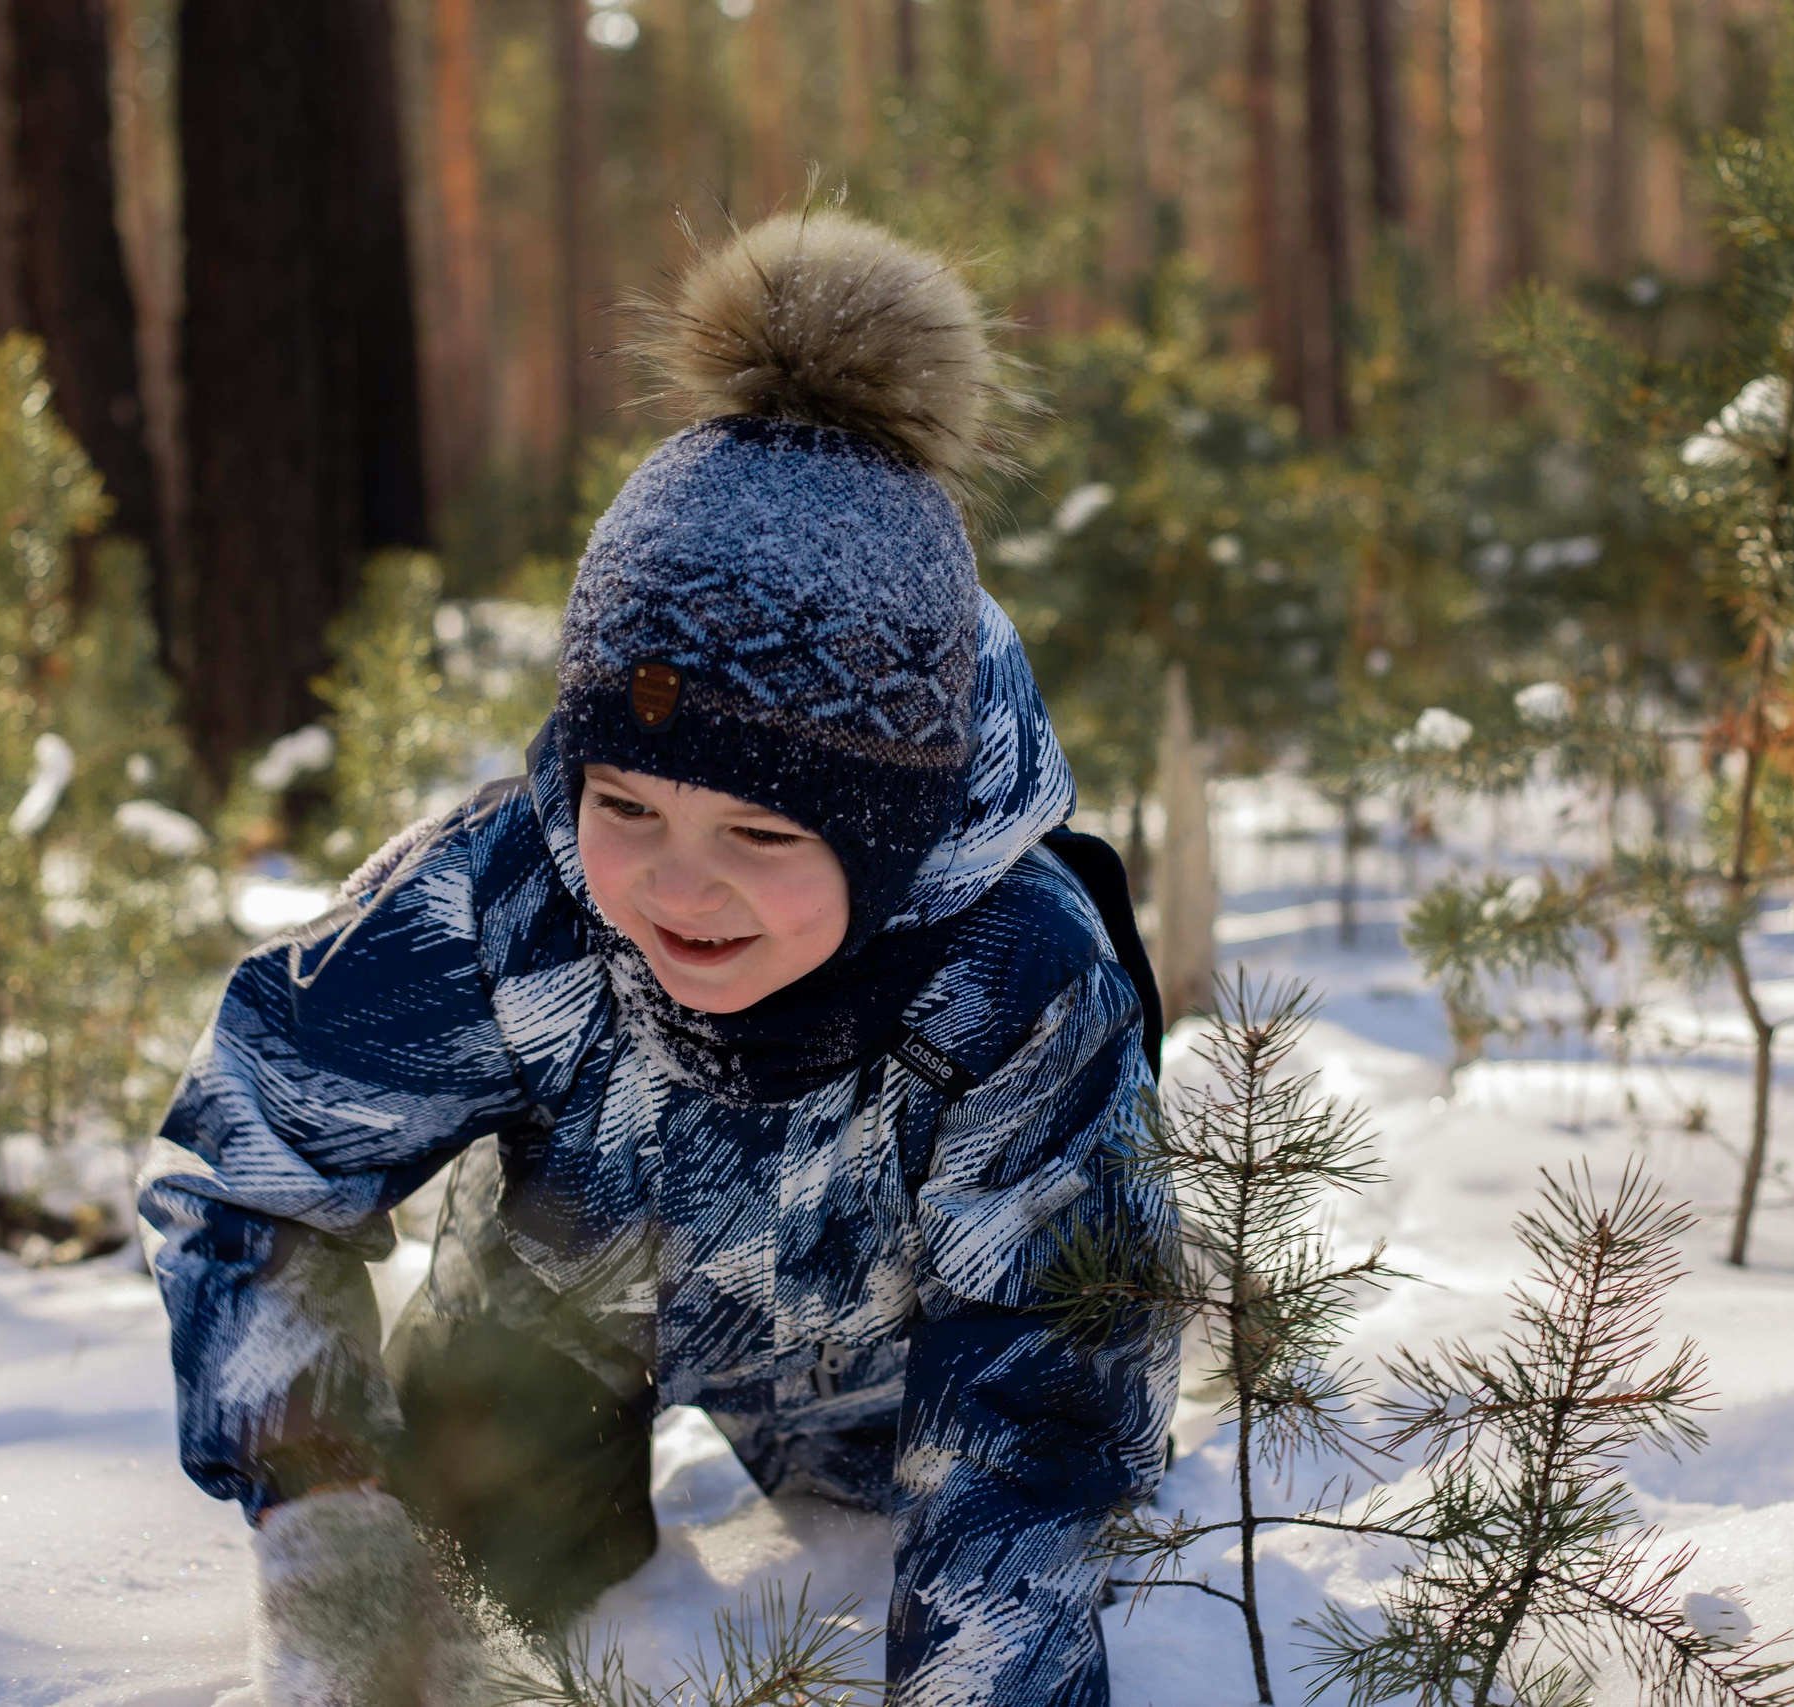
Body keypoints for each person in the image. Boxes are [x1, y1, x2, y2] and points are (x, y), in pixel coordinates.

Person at [138, 209, 1179, 1707]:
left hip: (911, 1371)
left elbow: (1042, 1385)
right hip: (563, 1335)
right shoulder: (516, 895)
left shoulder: (1014, 976)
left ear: (888, 832)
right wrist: (328, 1520)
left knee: (942, 1511)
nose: (676, 885)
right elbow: (251, 1160)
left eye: (761, 835)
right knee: (496, 1572)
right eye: (627, 805)